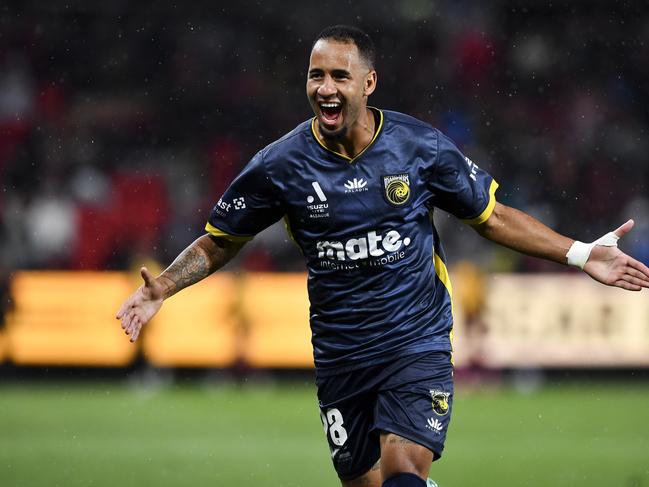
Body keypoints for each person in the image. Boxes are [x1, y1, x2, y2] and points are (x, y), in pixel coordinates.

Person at [116, 25, 649, 487]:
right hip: (340, 354)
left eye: (339, 76)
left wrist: (581, 253)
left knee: (404, 469)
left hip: (415, 341)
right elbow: (221, 239)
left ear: (368, 83)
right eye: (314, 75)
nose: (324, 88)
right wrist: (163, 285)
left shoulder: (419, 148)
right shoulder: (279, 166)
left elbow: (492, 217)